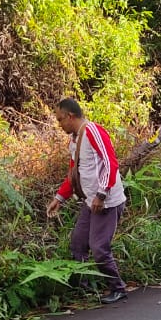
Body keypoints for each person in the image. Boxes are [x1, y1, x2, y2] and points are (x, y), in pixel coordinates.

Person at [46, 98, 129, 304]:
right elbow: (75, 173)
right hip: (90, 201)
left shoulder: (92, 131)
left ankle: (117, 288)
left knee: (99, 247)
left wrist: (102, 194)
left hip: (106, 202)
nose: (59, 124)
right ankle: (82, 287)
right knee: (78, 244)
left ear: (70, 116)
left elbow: (111, 163)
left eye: (60, 120)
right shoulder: (75, 140)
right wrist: (59, 197)